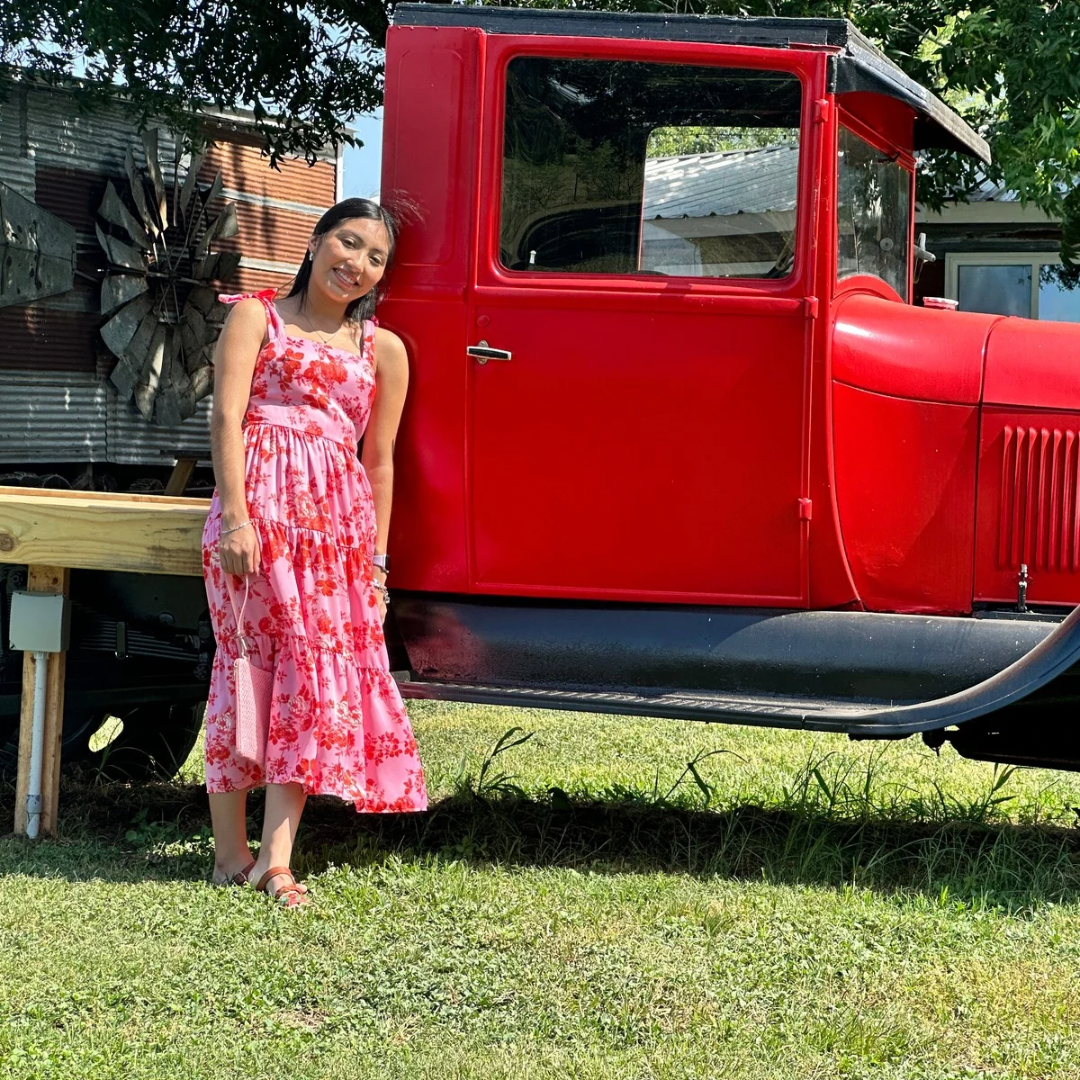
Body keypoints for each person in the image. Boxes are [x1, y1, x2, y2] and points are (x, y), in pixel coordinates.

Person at [200, 198, 427, 907]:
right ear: (318, 240)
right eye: (348, 242)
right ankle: (228, 853)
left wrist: (378, 563)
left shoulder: (381, 349)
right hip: (258, 522)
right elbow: (226, 417)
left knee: (309, 679)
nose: (355, 263)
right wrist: (236, 517)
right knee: (246, 670)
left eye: (374, 257)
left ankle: (275, 861)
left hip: (337, 533)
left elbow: (381, 461)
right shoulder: (255, 317)